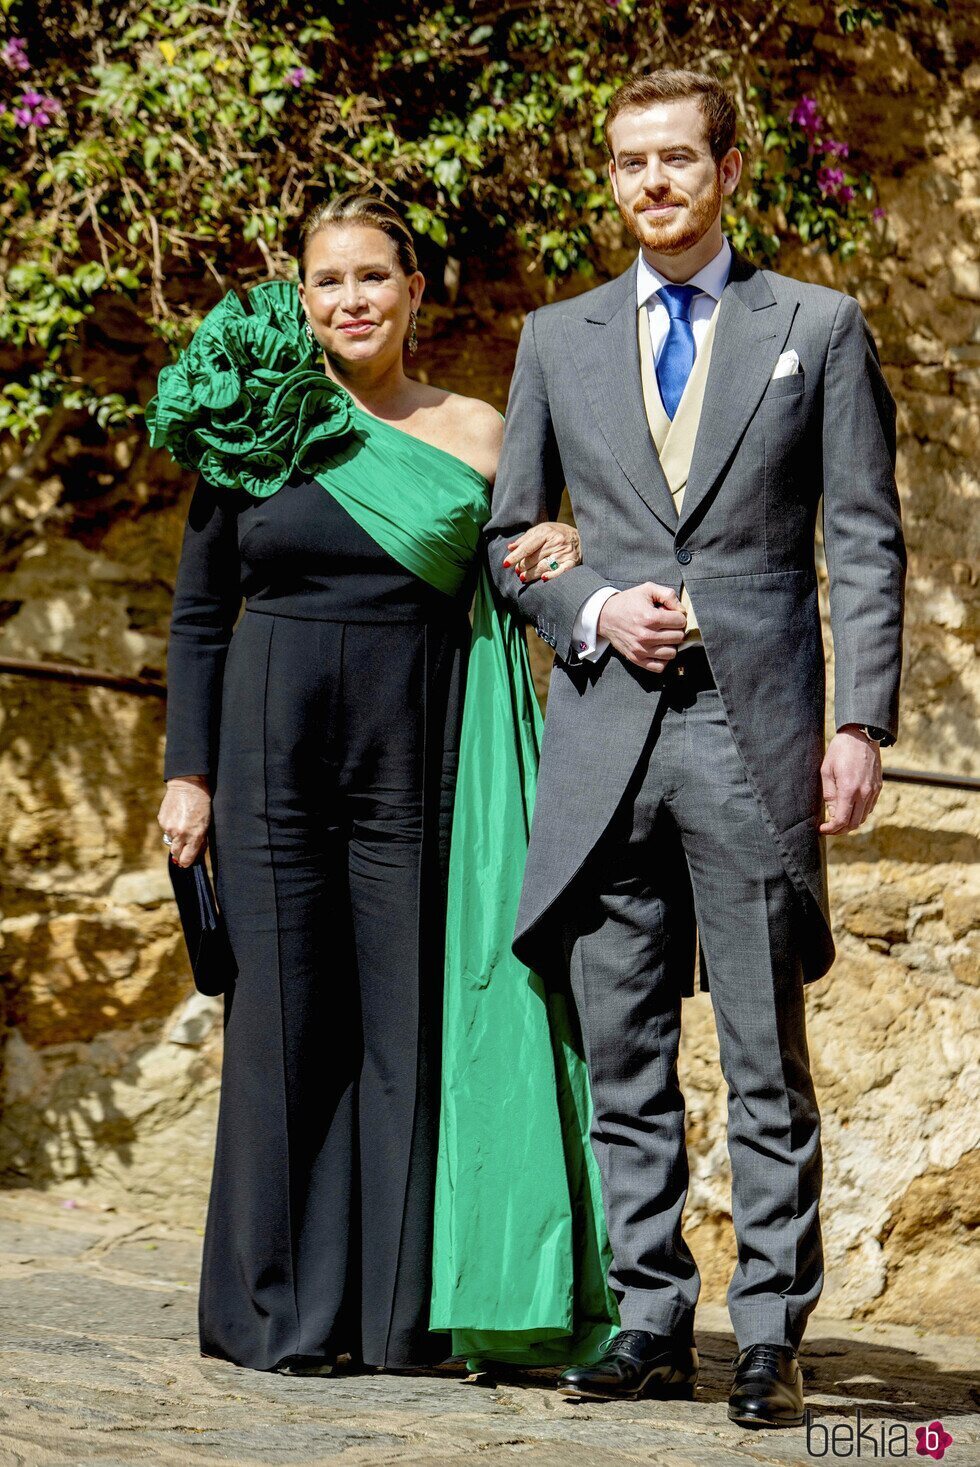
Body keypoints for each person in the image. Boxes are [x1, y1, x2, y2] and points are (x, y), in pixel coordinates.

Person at [486, 69, 905, 1428]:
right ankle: (651, 1318)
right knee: (623, 1052)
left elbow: (862, 537)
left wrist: (861, 722)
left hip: (754, 735)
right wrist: (592, 601)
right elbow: (509, 546)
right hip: (606, 737)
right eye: (628, 162)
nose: (651, 182)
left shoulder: (819, 327)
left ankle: (772, 1326)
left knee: (766, 1054)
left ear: (725, 170)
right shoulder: (556, 337)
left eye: (676, 158)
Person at [148, 193, 610, 1375]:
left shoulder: (477, 431)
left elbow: (523, 567)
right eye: (325, 281)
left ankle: (402, 1318)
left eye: (371, 277)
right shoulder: (256, 416)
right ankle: (279, 1313)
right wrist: (186, 774)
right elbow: (200, 614)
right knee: (284, 1020)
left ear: (415, 291)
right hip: (266, 750)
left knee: (407, 1022)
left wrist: (562, 550)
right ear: (300, 300)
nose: (348, 300)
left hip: (420, 746)